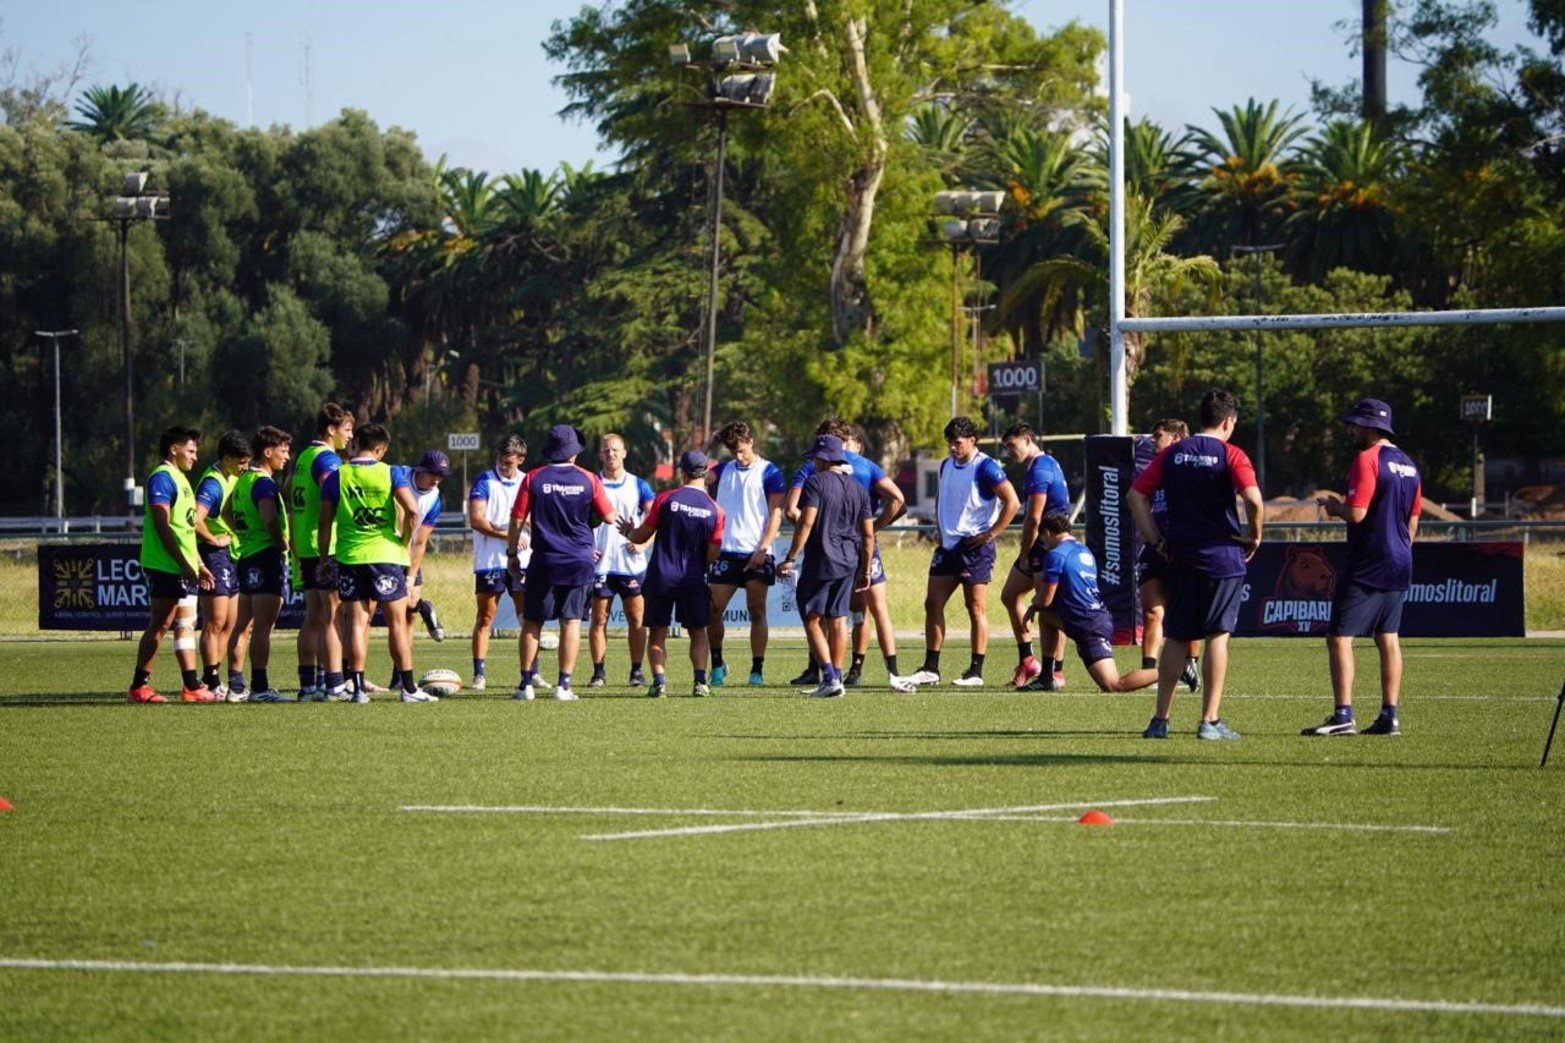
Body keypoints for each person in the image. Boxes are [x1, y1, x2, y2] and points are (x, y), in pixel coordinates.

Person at [1129, 388, 1264, 740]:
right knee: (1217, 635)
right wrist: (1254, 535)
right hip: (1222, 558)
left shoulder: (1172, 454)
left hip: (1181, 557)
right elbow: (1253, 500)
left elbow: (1135, 496)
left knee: (1176, 636)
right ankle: (1209, 721)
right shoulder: (1232, 454)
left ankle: (1160, 720)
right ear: (1228, 421)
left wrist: (1155, 540)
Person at [1304, 398, 1421, 737]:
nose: (1351, 430)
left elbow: (1357, 512)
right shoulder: (1409, 464)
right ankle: (1389, 716)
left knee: (1339, 637)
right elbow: (1413, 522)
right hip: (1401, 559)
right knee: (1388, 637)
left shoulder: (1367, 459)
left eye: (1354, 425)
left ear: (1370, 427)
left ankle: (1343, 715)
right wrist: (1399, 549)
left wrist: (1335, 507)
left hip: (1369, 560)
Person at [784, 419, 913, 692]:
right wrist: (868, 553)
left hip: (824, 553)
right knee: (854, 614)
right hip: (855, 554)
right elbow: (895, 504)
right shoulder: (862, 479)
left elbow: (796, 514)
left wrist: (795, 552)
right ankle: (877, 672)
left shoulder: (813, 476)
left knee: (812, 616)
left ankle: (827, 674)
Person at [318, 423, 434, 703]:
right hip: (385, 556)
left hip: (350, 557)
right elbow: (412, 510)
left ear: (357, 443)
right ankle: (408, 689)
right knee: (397, 623)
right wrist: (403, 541)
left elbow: (324, 523)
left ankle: (357, 689)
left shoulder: (337, 476)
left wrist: (323, 559)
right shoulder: (390, 472)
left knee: (356, 624)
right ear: (380, 449)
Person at [906, 416, 1020, 688]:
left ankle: (975, 671)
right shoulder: (946, 464)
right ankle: (931, 668)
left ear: (972, 440)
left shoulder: (986, 467)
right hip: (948, 547)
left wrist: (990, 534)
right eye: (949, 442)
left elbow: (1012, 502)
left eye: (957, 442)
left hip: (974, 548)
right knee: (932, 604)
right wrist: (940, 526)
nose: (952, 447)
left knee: (975, 607)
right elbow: (943, 497)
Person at [507, 424, 617, 701]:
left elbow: (517, 519)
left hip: (544, 560)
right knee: (571, 622)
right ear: (574, 452)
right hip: (579, 561)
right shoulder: (589, 479)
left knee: (533, 622)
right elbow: (609, 517)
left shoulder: (534, 477)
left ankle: (525, 685)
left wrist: (511, 554)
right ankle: (563, 686)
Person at [618, 450, 725, 698]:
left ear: (682, 473)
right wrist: (697, 563)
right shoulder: (716, 509)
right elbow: (713, 552)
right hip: (693, 578)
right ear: (705, 474)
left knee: (657, 631)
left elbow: (642, 535)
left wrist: (628, 532)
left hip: (661, 576)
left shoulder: (665, 499)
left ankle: (659, 683)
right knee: (698, 631)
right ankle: (700, 682)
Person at [778, 435, 875, 698]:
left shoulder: (816, 482)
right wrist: (866, 570)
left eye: (814, 458)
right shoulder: (858, 489)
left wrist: (790, 557)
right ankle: (837, 677)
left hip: (821, 560)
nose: (813, 462)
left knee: (812, 619)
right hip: (849, 561)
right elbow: (868, 535)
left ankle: (830, 677)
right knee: (838, 619)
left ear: (823, 458)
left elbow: (806, 522)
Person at [127, 425, 216, 703]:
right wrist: (183, 563)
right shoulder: (162, 478)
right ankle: (139, 687)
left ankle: (190, 685)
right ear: (173, 449)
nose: (195, 457)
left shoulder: (181, 480)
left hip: (179, 566)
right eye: (190, 451)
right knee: (160, 623)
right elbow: (162, 524)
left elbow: (184, 530)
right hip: (164, 564)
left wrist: (197, 563)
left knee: (176, 622)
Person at [1024, 513, 1158, 693]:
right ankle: (1047, 677)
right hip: (1094, 617)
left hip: (1087, 625)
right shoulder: (1084, 551)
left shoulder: (1055, 555)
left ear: (1048, 533)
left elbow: (1045, 600)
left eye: (1043, 541)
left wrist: (1033, 603)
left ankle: (1175, 670)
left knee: (1114, 684)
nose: (1044, 546)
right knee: (1047, 617)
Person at [706, 420, 786, 687]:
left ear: (751, 442)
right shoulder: (721, 470)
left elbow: (776, 513)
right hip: (726, 553)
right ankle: (718, 665)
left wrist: (763, 548)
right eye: (733, 452)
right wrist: (708, 446)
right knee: (712, 611)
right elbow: (696, 475)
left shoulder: (770, 472)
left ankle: (757, 670)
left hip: (757, 552)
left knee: (757, 611)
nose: (738, 456)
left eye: (741, 450)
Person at [364, 449, 450, 695]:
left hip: (408, 555)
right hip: (380, 551)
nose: (436, 480)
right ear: (420, 469)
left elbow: (420, 541)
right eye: (432, 474)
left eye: (441, 476)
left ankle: (399, 679)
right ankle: (355, 677)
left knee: (408, 613)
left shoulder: (435, 499)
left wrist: (410, 577)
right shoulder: (397, 474)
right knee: (368, 613)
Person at [287, 402, 354, 699]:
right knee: (333, 616)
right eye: (347, 430)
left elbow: (288, 490)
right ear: (331, 429)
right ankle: (335, 683)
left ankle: (308, 686)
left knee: (313, 616)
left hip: (305, 544)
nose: (350, 436)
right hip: (325, 546)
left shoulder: (304, 456)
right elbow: (333, 497)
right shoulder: (328, 460)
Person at [998, 422, 1071, 690]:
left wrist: (1025, 552)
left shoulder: (1040, 469)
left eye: (1012, 445)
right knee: (1010, 595)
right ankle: (1028, 660)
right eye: (1006, 447)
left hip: (1046, 545)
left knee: (1047, 609)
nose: (1009, 451)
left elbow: (1034, 518)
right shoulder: (1042, 463)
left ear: (1028, 440)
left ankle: (1056, 671)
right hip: (1042, 544)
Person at [223, 425, 293, 702]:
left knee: (243, 625)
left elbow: (225, 512)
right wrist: (281, 543)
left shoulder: (243, 480)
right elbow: (269, 518)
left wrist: (244, 534)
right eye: (283, 451)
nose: (286, 457)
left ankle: (236, 686)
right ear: (268, 452)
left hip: (248, 556)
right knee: (263, 626)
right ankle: (260, 688)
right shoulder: (263, 483)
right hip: (266, 556)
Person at [1134, 419, 1202, 694]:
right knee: (1152, 611)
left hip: (1182, 547)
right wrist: (1151, 534)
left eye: (1158, 435)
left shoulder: (1191, 466)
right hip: (1155, 546)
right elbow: (1139, 499)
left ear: (1175, 439)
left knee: (1186, 611)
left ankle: (1190, 665)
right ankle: (1150, 672)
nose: (1153, 440)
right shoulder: (1155, 466)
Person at [588, 433, 655, 688]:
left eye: (615, 450)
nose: (611, 454)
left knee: (636, 620)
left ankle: (636, 671)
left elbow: (655, 520)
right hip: (601, 564)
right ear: (600, 454)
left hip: (631, 565)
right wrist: (586, 548)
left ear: (624, 453)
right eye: (606, 450)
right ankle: (598, 673)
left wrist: (644, 543)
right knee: (598, 619)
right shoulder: (592, 483)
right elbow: (578, 519)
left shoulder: (639, 485)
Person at [192, 429, 250, 699]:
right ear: (226, 459)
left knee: (232, 622)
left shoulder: (232, 477)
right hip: (214, 555)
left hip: (231, 555)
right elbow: (195, 520)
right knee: (215, 622)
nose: (245, 467)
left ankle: (212, 678)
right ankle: (212, 680)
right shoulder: (212, 483)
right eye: (241, 462)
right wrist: (213, 541)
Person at [468, 435, 529, 691]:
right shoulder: (484, 481)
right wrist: (509, 535)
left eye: (509, 463)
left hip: (524, 560)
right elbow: (477, 520)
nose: (503, 466)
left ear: (520, 460)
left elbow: (536, 517)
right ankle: (479, 674)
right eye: (500, 461)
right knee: (485, 617)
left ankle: (531, 673)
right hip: (490, 560)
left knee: (528, 618)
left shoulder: (528, 481)